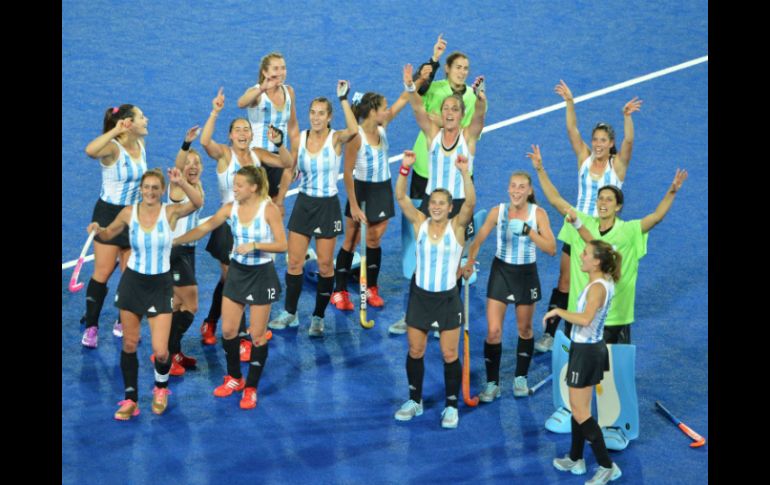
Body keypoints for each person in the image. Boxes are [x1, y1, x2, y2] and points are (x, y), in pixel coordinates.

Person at [528, 144, 687, 344]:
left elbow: (656, 218)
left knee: (612, 373)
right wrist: (540, 169)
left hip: (614, 319)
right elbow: (555, 200)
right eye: (600, 198)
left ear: (618, 206)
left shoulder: (629, 231)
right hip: (581, 315)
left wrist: (672, 192)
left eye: (609, 200)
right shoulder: (583, 222)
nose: (603, 203)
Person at [87, 167, 202, 420]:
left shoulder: (170, 212)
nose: (150, 192)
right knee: (129, 343)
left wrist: (181, 181)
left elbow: (198, 202)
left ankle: (160, 389)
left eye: (155, 188)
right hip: (132, 284)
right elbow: (108, 233)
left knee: (161, 351)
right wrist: (98, 229)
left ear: (162, 191)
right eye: (146, 187)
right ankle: (130, 399)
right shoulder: (128, 212)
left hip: (160, 286)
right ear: (141, 189)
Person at [536, 81, 642, 353]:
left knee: (597, 282)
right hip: (575, 224)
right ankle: (550, 334)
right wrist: (570, 102)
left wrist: (627, 117)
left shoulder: (616, 166)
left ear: (611, 144)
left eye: (603, 141)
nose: (597, 144)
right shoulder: (584, 158)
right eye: (595, 140)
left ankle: (593, 330)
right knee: (565, 280)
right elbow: (572, 130)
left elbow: (630, 142)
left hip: (602, 231)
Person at [173, 165, 286, 409]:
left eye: (239, 185)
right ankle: (235, 377)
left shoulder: (269, 209)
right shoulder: (229, 208)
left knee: (256, 335)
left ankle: (252, 389)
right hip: (237, 273)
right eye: (234, 184)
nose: (233, 189)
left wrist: (254, 245)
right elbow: (204, 228)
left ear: (253, 187)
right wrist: (173, 241)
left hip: (261, 274)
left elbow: (282, 244)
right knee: (228, 332)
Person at [388, 62, 486, 335]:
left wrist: (480, 101)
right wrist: (410, 86)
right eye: (446, 109)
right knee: (424, 259)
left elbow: (478, 120)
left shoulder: (468, 137)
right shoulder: (433, 134)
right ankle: (413, 315)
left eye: (455, 109)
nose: (450, 112)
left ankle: (449, 317)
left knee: (452, 264)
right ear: (441, 115)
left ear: (461, 114)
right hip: (433, 204)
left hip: (458, 206)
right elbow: (418, 108)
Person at [198, 87, 292, 360]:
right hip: (229, 225)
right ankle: (230, 331)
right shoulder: (224, 155)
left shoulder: (258, 153)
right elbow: (205, 142)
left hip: (254, 223)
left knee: (236, 279)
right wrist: (215, 111)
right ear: (230, 135)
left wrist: (280, 143)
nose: (242, 133)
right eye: (237, 129)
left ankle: (222, 323)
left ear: (252, 134)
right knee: (231, 280)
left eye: (246, 129)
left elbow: (286, 162)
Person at [267, 81, 359, 337]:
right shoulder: (300, 138)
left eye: (321, 113)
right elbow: (289, 167)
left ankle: (318, 316)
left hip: (327, 205)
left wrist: (343, 98)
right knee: (294, 262)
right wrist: (281, 198)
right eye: (313, 113)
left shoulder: (337, 138)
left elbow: (353, 128)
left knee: (326, 266)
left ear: (329, 117)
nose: (316, 117)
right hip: (305, 204)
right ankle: (291, 313)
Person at [392, 149, 475, 429]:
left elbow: (471, 203)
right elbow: (401, 197)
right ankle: (415, 400)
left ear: (450, 207)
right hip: (420, 297)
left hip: (448, 299)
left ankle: (451, 405)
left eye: (442, 203)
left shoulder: (458, 227)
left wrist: (464, 172)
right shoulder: (420, 223)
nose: (437, 206)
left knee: (450, 354)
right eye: (434, 202)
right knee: (415, 350)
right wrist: (404, 169)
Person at [460, 171, 556, 400]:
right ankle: (492, 383)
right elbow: (478, 240)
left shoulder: (538, 214)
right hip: (501, 272)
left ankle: (520, 377)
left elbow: (551, 248)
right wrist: (470, 262)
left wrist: (528, 231)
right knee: (493, 332)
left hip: (526, 274)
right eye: (513, 186)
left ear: (530, 191)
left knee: (525, 329)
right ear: (508, 188)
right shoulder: (498, 211)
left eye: (522, 187)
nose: (516, 191)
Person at [545, 240, 623, 484]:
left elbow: (587, 318)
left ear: (597, 262)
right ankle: (576, 458)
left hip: (586, 352)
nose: (581, 255)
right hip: (589, 349)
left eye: (586, 254)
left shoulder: (597, 288)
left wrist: (558, 312)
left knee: (580, 411)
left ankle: (606, 466)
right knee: (580, 409)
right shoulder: (602, 281)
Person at [329, 90, 410, 310]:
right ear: (373, 112)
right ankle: (339, 291)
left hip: (383, 191)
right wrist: (354, 205)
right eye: (383, 107)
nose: (387, 110)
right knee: (351, 241)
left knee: (374, 241)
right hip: (361, 192)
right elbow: (347, 173)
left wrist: (413, 84)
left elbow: (402, 101)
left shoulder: (382, 128)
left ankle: (371, 287)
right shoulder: (357, 138)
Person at [81, 104, 149, 348]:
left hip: (133, 216)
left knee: (130, 273)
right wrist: (114, 131)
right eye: (141, 117)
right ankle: (91, 326)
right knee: (103, 271)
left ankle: (123, 321)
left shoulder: (141, 145)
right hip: (108, 216)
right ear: (128, 122)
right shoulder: (112, 148)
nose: (146, 120)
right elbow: (90, 150)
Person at [237, 51, 300, 217]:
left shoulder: (289, 92)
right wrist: (262, 89)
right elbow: (241, 103)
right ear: (265, 72)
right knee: (252, 208)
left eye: (283, 68)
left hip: (279, 158)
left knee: (274, 209)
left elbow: (293, 127)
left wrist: (294, 157)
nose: (280, 72)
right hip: (256, 159)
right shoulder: (257, 93)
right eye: (275, 68)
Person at [165, 126, 205, 376]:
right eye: (188, 163)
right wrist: (185, 145)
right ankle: (165, 353)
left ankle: (174, 350)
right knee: (191, 305)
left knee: (178, 304)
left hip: (188, 253)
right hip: (175, 252)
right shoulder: (179, 188)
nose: (192, 166)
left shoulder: (197, 185)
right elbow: (179, 165)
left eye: (197, 163)